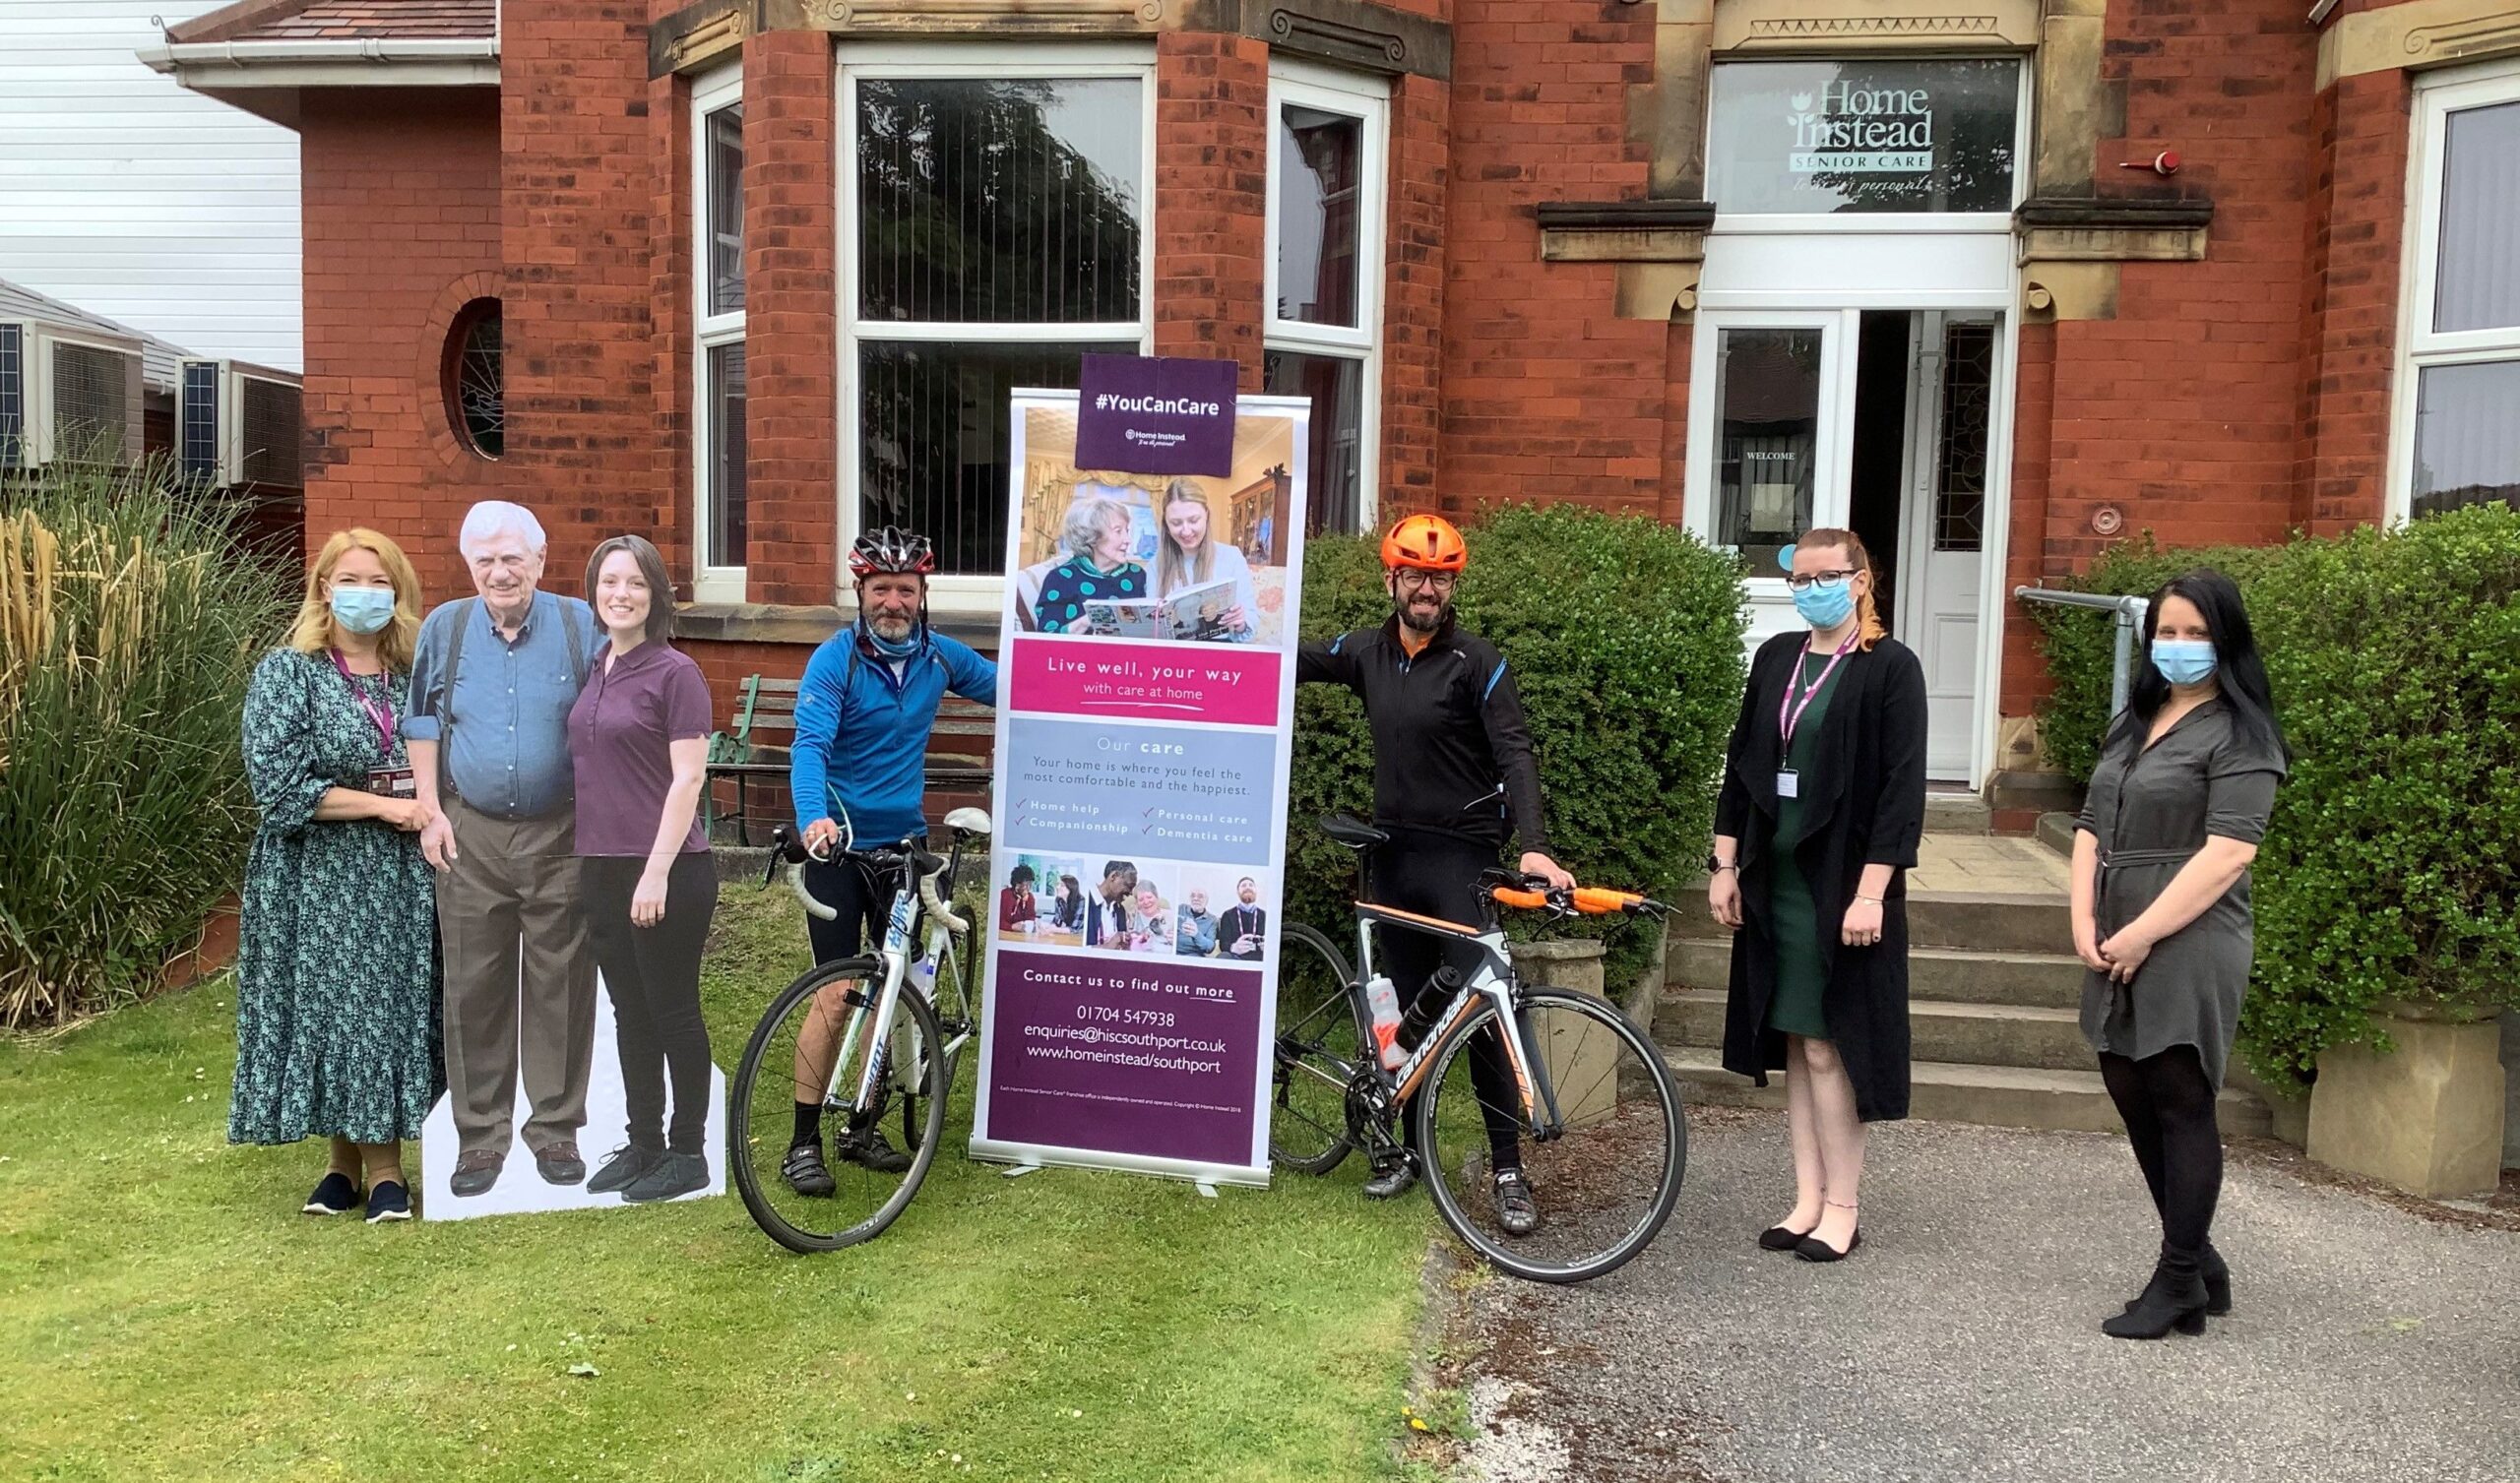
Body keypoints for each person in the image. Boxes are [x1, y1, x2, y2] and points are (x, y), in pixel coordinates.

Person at [1296, 513, 1572, 1236]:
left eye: (1440, 577)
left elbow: (1516, 753)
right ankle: (1403, 1146)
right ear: (1390, 579)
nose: (1426, 587)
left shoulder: (1478, 661)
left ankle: (1509, 1167)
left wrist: (1535, 846)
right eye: (1414, 574)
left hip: (1462, 858)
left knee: (1481, 1014)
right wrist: (1211, 630)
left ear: (1453, 586)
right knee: (1407, 1013)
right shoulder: (1365, 652)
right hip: (1392, 856)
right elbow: (1291, 659)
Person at [2070, 569, 2287, 1339]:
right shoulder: (2139, 721)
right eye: (2167, 630)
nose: (2179, 646)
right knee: (2126, 1080)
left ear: (2225, 641)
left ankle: (2178, 1281)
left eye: (2196, 633)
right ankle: (2201, 1262)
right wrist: (2083, 916)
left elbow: (2229, 852)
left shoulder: (2241, 734)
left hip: (2192, 930)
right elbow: (2090, 822)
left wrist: (2143, 931)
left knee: (2178, 1092)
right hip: (2116, 923)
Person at [1709, 528, 1927, 1265]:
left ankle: (1843, 1207)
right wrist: (1725, 862)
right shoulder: (1777, 658)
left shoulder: (1890, 668)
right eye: (1798, 579)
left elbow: (1901, 791)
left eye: (1825, 576)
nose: (1810, 591)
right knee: (1798, 1043)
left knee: (1833, 1046)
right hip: (1779, 883)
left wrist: (1873, 893)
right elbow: (1743, 763)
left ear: (1862, 580)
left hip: (1842, 887)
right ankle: (1806, 1197)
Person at [781, 526, 998, 1196]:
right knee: (836, 990)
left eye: (906, 589)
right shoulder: (835, 662)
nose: (894, 602)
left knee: (896, 983)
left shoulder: (941, 658)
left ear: (924, 595)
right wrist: (814, 815)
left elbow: (1018, 686)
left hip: (903, 847)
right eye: (882, 589)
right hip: (841, 848)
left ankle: (864, 1122)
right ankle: (801, 1142)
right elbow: (809, 745)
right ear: (861, 592)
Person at [232, 529, 438, 1223]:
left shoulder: (413, 674)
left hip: (400, 875)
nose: (366, 594)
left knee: (381, 1009)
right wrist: (387, 804)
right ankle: (355, 1167)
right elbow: (281, 787)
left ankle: (368, 1168)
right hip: (317, 875)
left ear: (398, 591)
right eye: (351, 579)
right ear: (324, 586)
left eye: (380, 583)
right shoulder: (289, 674)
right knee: (329, 1009)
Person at [404, 501, 602, 1199]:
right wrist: (429, 809)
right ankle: (480, 1137)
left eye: (512, 557)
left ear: (542, 561)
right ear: (469, 565)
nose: (499, 570)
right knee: (473, 986)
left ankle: (555, 1129)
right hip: (471, 829)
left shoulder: (582, 625)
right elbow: (423, 718)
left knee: (562, 981)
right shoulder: (445, 629)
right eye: (484, 559)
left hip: (562, 831)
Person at [569, 535, 719, 1205]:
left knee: (672, 1011)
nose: (619, 593)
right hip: (600, 865)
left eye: (634, 583)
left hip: (668, 866)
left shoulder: (675, 672)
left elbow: (688, 780)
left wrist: (655, 871)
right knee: (630, 1014)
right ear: (595, 592)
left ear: (656, 595)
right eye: (608, 582)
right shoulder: (597, 664)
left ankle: (689, 1150)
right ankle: (644, 1142)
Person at [1152, 480, 1255, 643]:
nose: (1186, 531)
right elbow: (1152, 629)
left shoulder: (1232, 557)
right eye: (1176, 523)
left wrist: (1241, 622)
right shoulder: (1156, 564)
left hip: (1220, 653)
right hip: (1172, 655)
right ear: (1166, 524)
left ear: (1206, 515)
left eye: (1193, 520)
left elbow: (1250, 619)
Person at [1033, 496, 1148, 634]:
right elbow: (1045, 639)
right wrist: (1086, 621)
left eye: (1127, 531)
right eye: (1118, 531)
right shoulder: (1060, 579)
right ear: (1092, 536)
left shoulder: (1137, 575)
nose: (1128, 540)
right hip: (1075, 656)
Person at [1084, 860, 1137, 948]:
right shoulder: (1085, 903)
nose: (1130, 893)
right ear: (1113, 877)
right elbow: (1075, 950)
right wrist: (1108, 946)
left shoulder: (1120, 910)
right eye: (1129, 886)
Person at [1219, 877, 1267, 962]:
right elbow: (1223, 944)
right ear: (1238, 892)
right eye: (1243, 885)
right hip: (1236, 957)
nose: (1247, 887)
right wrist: (1233, 947)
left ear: (1256, 891)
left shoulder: (1265, 915)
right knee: (1223, 956)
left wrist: (1267, 946)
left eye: (1251, 885)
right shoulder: (1227, 915)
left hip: (1260, 958)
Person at [1126, 883, 1173, 954]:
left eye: (1149, 897)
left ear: (1157, 897)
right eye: (1141, 899)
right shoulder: (1132, 920)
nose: (1146, 902)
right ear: (1137, 903)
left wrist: (1175, 941)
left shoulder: (1170, 916)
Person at [1175, 888, 1220, 958]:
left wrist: (1196, 934)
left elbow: (1209, 947)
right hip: (1174, 951)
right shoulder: (1180, 908)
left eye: (1200, 896)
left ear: (1206, 901)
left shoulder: (1212, 920)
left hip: (1194, 955)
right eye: (1192, 896)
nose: (1195, 899)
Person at [1000, 864, 1039, 933]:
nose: (1028, 888)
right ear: (1017, 884)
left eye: (1030, 884)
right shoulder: (1005, 895)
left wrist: (1024, 904)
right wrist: (1011, 927)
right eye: (1025, 885)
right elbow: (997, 921)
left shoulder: (1030, 898)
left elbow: (1031, 918)